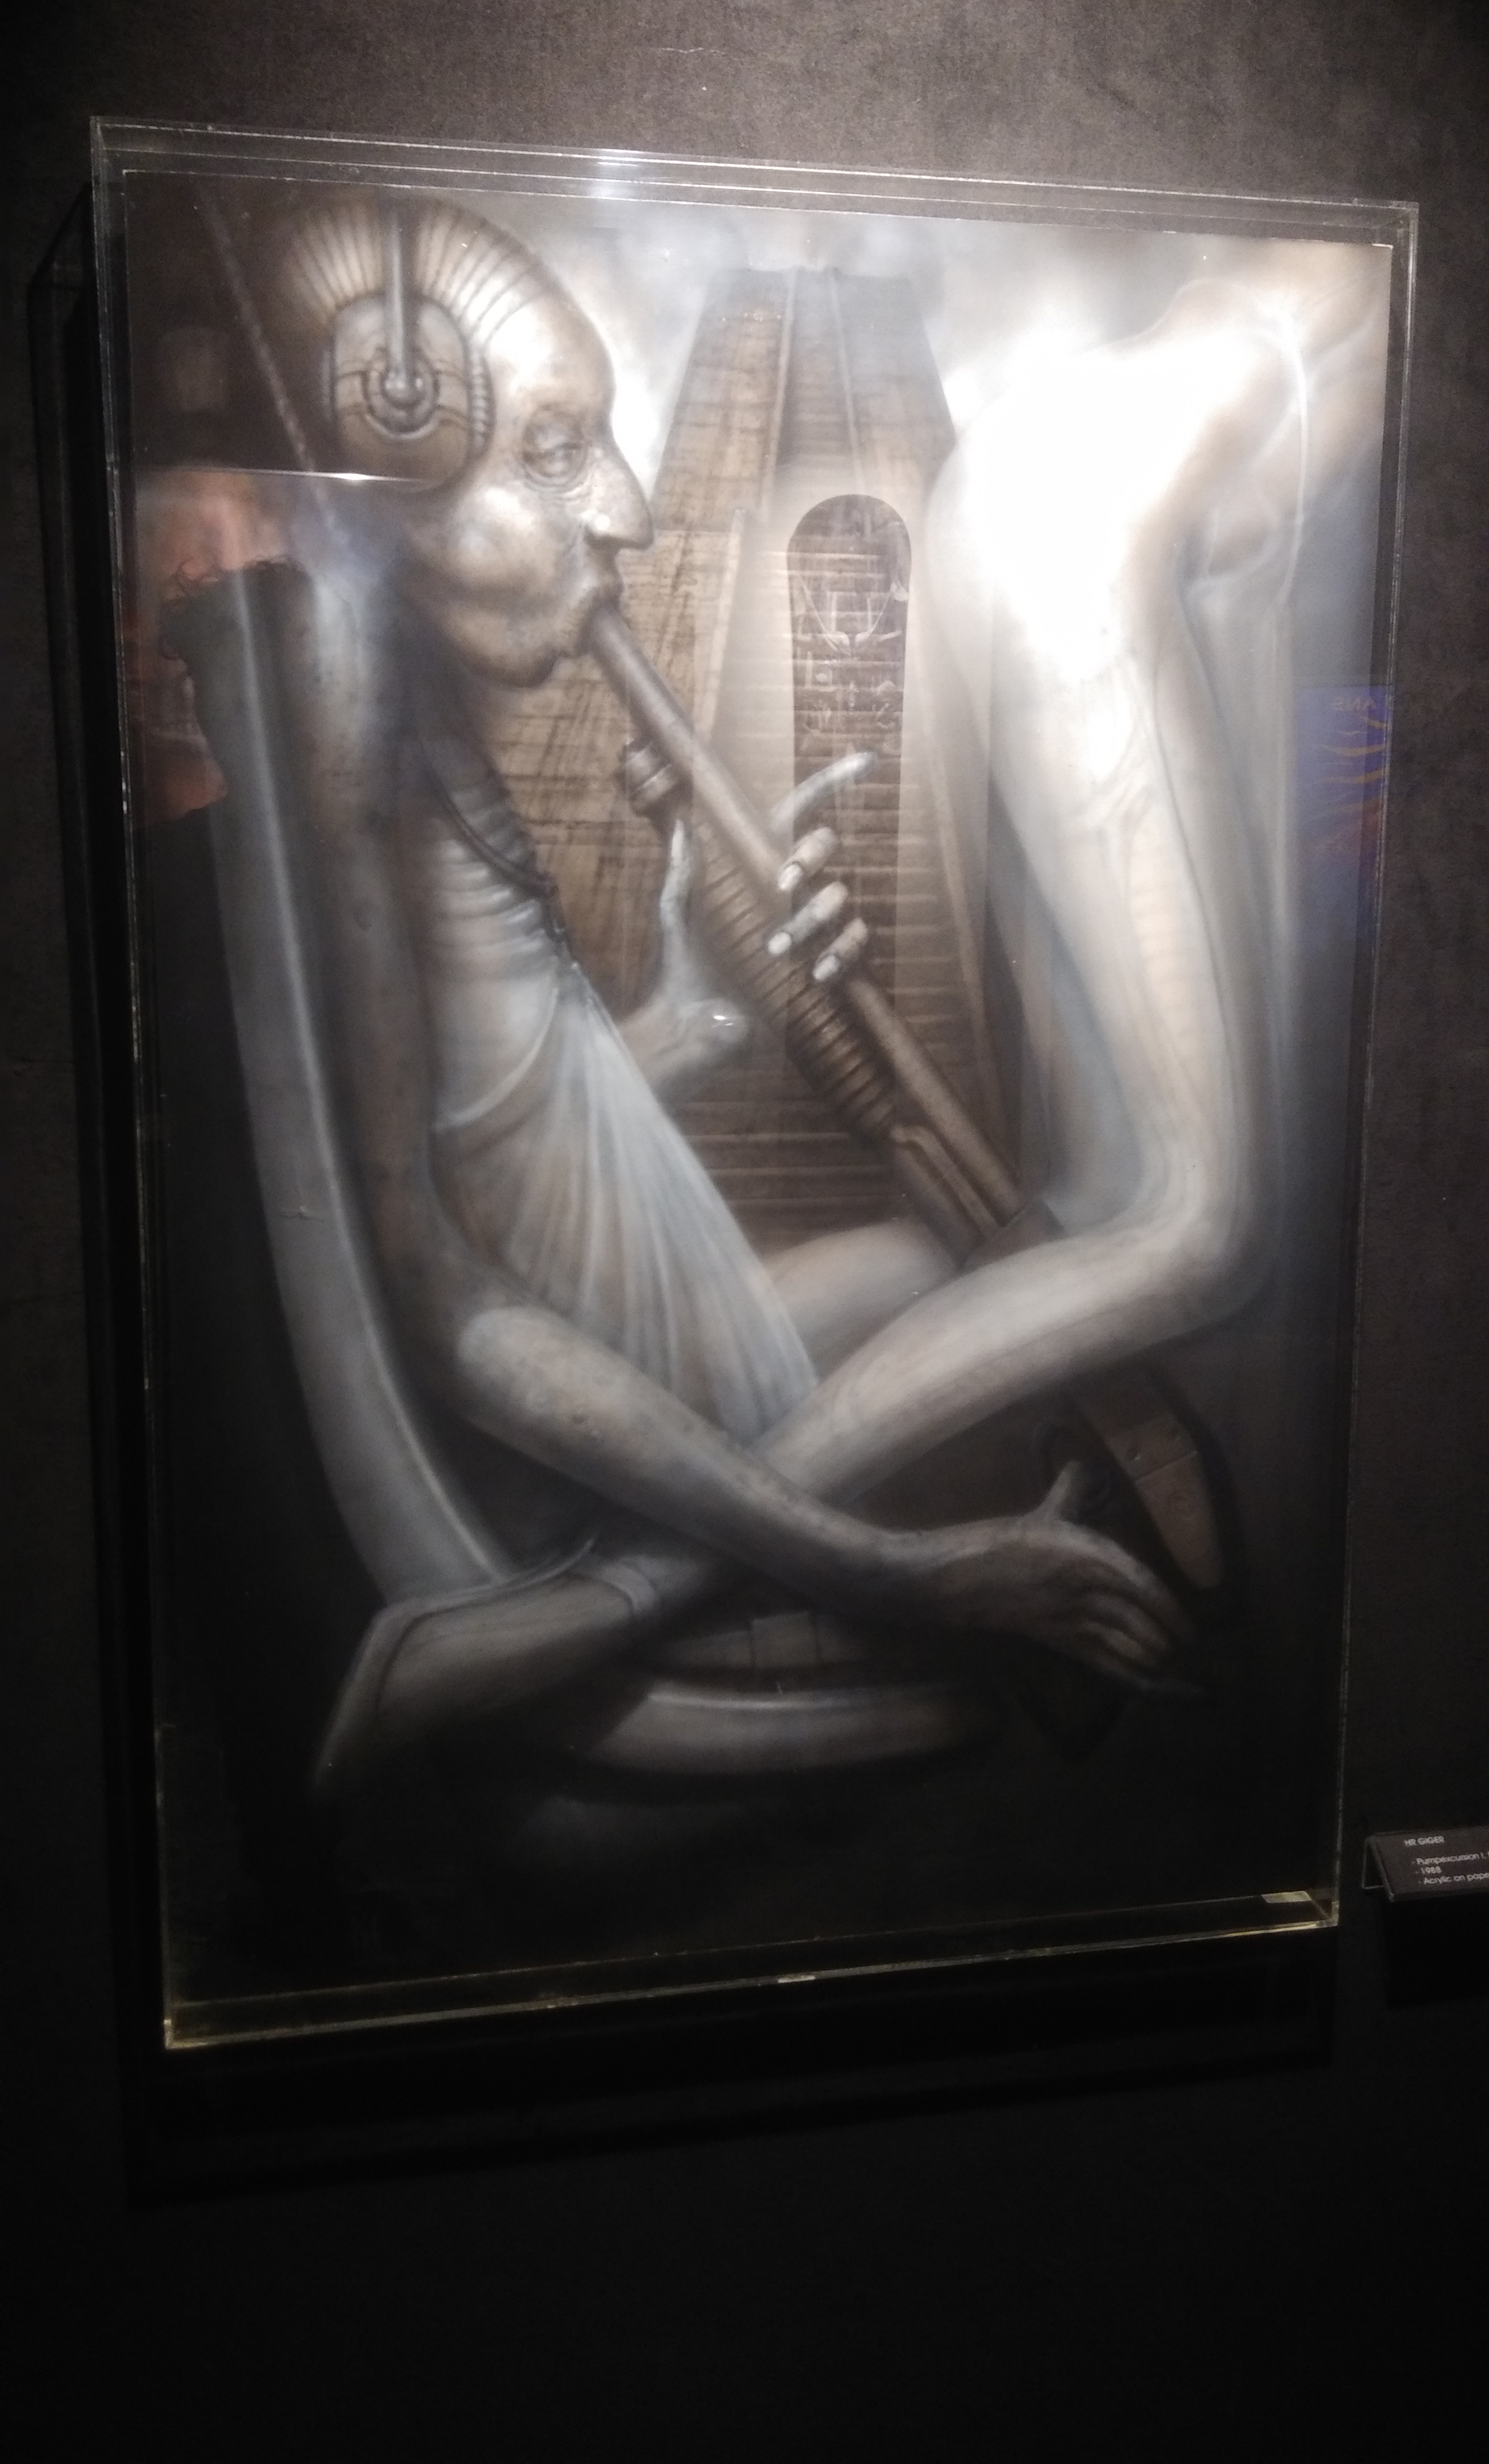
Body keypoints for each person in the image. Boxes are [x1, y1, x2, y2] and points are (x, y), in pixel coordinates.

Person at [159, 192, 1384, 1788]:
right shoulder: (343, 704)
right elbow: (448, 1304)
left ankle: (699, 1589)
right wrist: (889, 1569)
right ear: (397, 470)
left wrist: (696, 1007)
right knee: (1176, 1235)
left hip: (616, 1306)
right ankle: (639, 1595)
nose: (621, 511)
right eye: (552, 452)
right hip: (557, 1393)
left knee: (956, 1252)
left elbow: (495, 1117)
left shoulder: (421, 723)